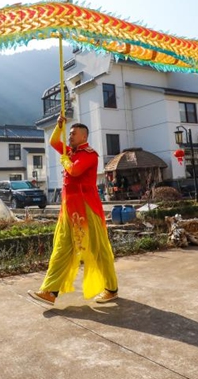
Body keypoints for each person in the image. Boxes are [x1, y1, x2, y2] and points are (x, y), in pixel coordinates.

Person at [28, 114, 118, 305]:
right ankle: (50, 292)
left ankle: (111, 288)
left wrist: (65, 161)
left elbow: (75, 171)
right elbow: (53, 141)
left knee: (98, 248)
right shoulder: (70, 152)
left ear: (84, 137)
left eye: (73, 134)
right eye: (69, 134)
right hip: (68, 208)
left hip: (86, 207)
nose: (69, 137)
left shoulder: (89, 155)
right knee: (61, 248)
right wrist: (59, 126)